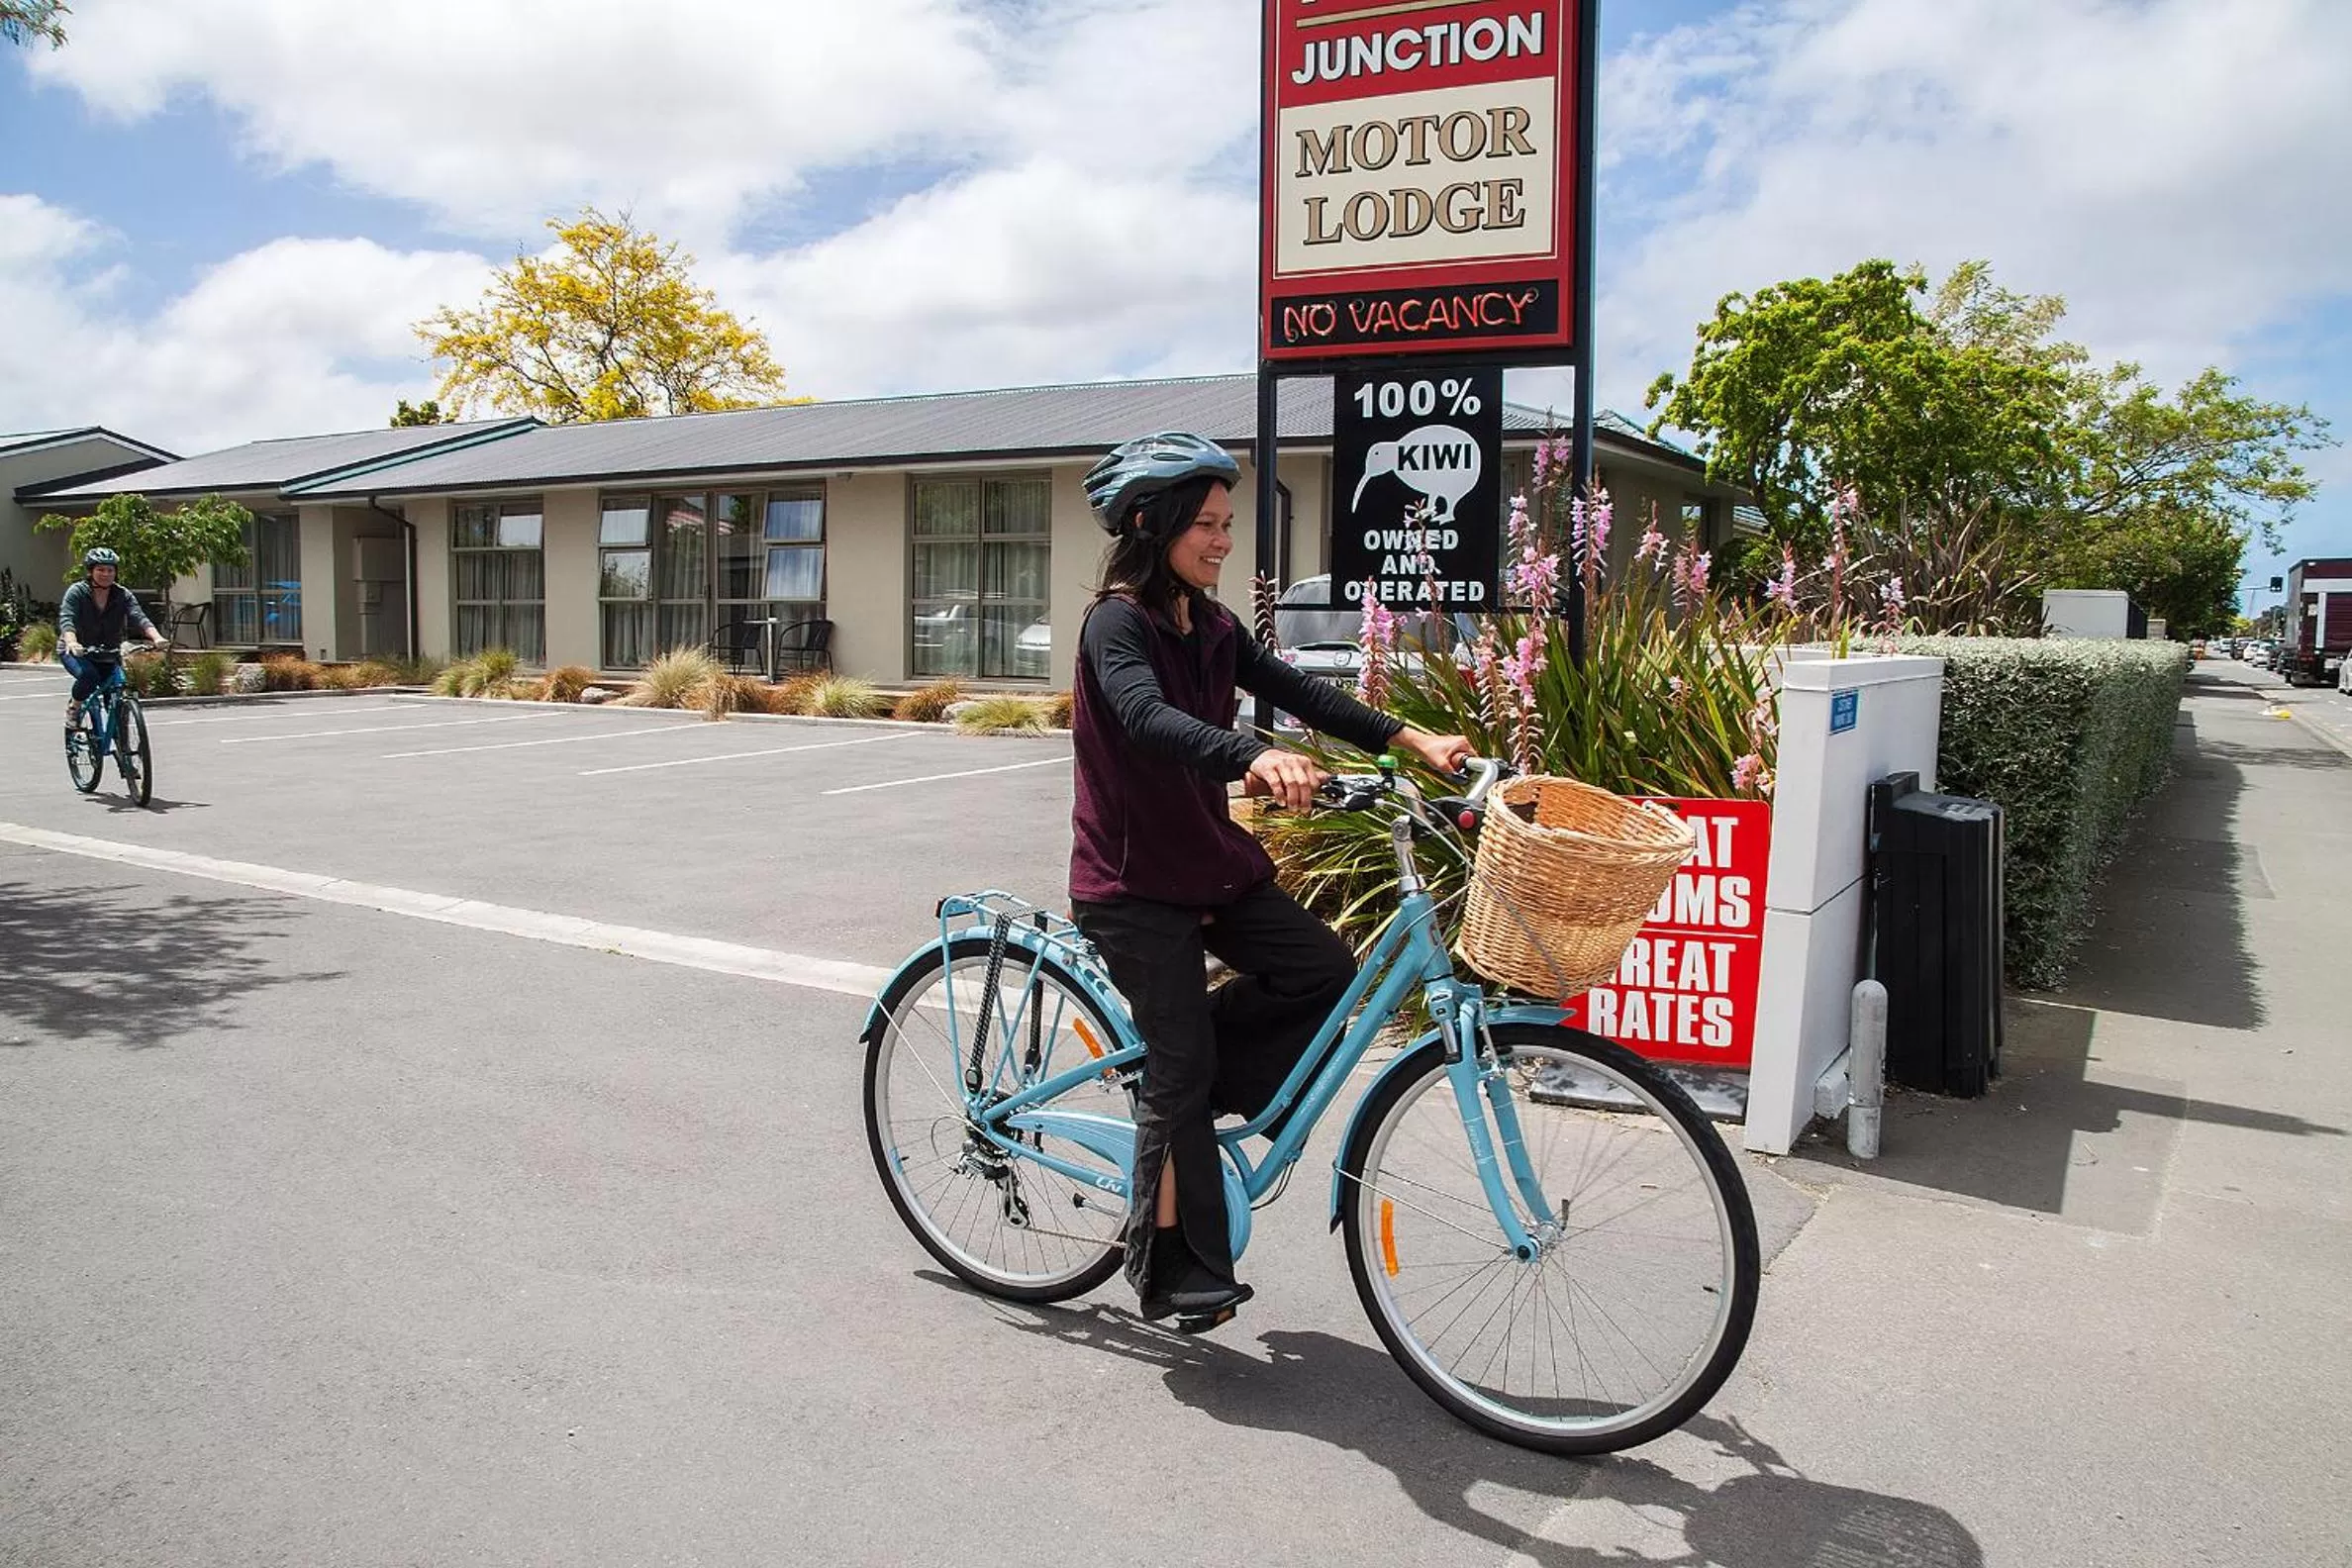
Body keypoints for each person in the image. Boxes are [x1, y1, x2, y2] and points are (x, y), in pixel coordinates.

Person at [1069, 431, 1473, 1330]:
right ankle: (1177, 1268)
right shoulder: (1116, 625)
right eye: (1205, 525)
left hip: (1210, 865)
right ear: (1151, 522)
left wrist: (1412, 740)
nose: (1222, 540)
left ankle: (1186, 1086)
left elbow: (1302, 690)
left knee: (1326, 978)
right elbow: (1145, 717)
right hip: (1132, 887)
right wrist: (1254, 756)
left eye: (1226, 523)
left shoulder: (1209, 625)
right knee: (1181, 1065)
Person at [58, 547, 166, 725]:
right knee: (90, 677)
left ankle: (121, 740)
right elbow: (67, 618)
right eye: (100, 569)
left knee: (118, 688)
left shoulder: (122, 594)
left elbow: (139, 616)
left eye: (110, 570)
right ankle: (74, 708)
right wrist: (71, 641)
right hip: (77, 651)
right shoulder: (77, 592)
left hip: (109, 651)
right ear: (91, 571)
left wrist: (157, 637)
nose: (106, 574)